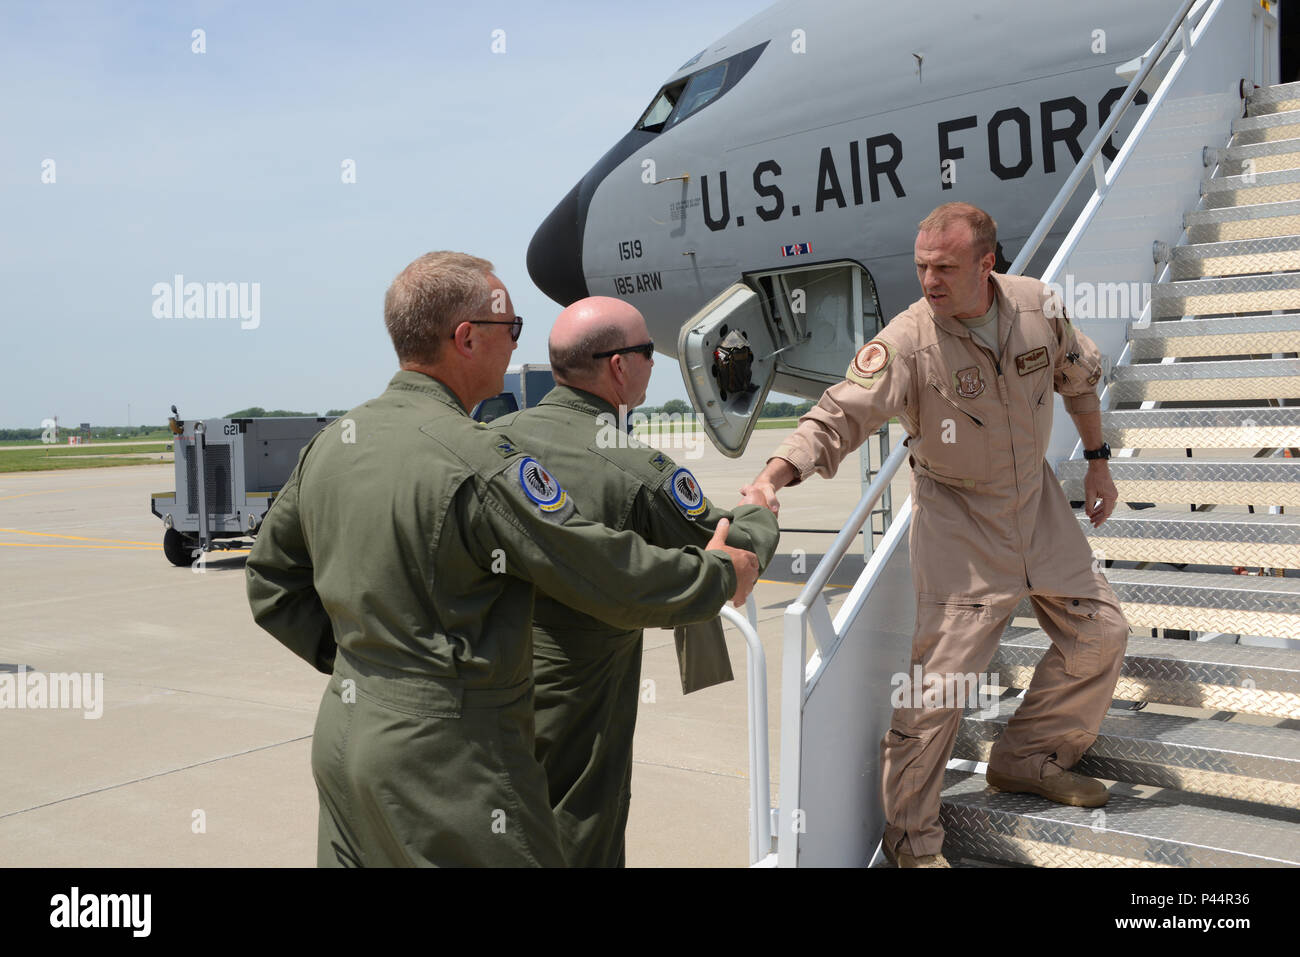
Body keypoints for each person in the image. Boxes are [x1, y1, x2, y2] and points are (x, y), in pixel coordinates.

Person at [245, 251, 760, 867]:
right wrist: (722, 573)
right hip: (448, 761)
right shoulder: (477, 458)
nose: (516, 347)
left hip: (346, 737)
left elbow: (272, 583)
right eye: (509, 330)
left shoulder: (333, 441)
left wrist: (375, 668)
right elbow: (603, 572)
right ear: (466, 338)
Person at [742, 203, 1129, 868]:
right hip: (959, 521)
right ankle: (912, 842)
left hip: (1034, 504)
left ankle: (1028, 756)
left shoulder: (1038, 305)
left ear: (988, 262)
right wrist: (773, 476)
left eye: (944, 267)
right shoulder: (907, 340)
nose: (929, 280)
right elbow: (838, 415)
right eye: (921, 266)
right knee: (939, 691)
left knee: (1102, 630)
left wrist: (1097, 461)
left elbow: (1078, 377)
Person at [489, 296, 780, 867]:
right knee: (578, 826)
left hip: (484, 677)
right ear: (619, 365)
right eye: (649, 352)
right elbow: (727, 551)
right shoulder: (635, 467)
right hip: (579, 693)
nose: (655, 363)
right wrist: (760, 510)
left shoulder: (490, 441)